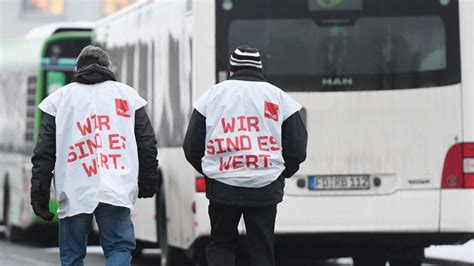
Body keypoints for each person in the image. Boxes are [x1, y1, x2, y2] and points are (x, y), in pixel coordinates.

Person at [30, 45, 161, 266]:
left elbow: (44, 152)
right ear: (107, 67)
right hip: (115, 186)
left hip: (74, 189)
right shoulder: (128, 96)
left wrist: (39, 193)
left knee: (72, 256)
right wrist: (148, 181)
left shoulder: (59, 99)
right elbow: (146, 143)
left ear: (77, 68)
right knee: (119, 247)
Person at [183, 45, 307, 266]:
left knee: (221, 243)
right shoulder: (279, 97)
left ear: (232, 69)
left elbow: (191, 145)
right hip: (265, 184)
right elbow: (297, 146)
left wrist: (211, 170)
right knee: (261, 247)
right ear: (260, 69)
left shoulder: (212, 96)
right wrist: (281, 173)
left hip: (222, 183)